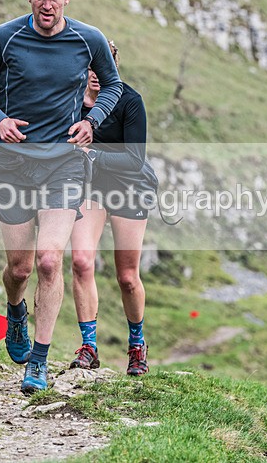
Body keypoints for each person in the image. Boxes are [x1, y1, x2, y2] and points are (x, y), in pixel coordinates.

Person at [0, 0, 122, 393]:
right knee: (20, 267)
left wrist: (94, 121)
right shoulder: (6, 36)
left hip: (65, 164)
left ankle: (39, 360)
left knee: (51, 261)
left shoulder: (88, 40)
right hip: (14, 163)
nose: (47, 4)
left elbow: (112, 86)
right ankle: (16, 313)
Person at [69, 40, 157, 376]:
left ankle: (137, 346)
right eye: (88, 66)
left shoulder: (129, 100)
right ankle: (89, 346)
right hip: (89, 188)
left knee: (127, 277)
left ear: (113, 65)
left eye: (101, 65)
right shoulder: (70, 101)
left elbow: (135, 160)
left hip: (128, 188)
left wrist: (92, 155)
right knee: (80, 261)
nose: (94, 73)